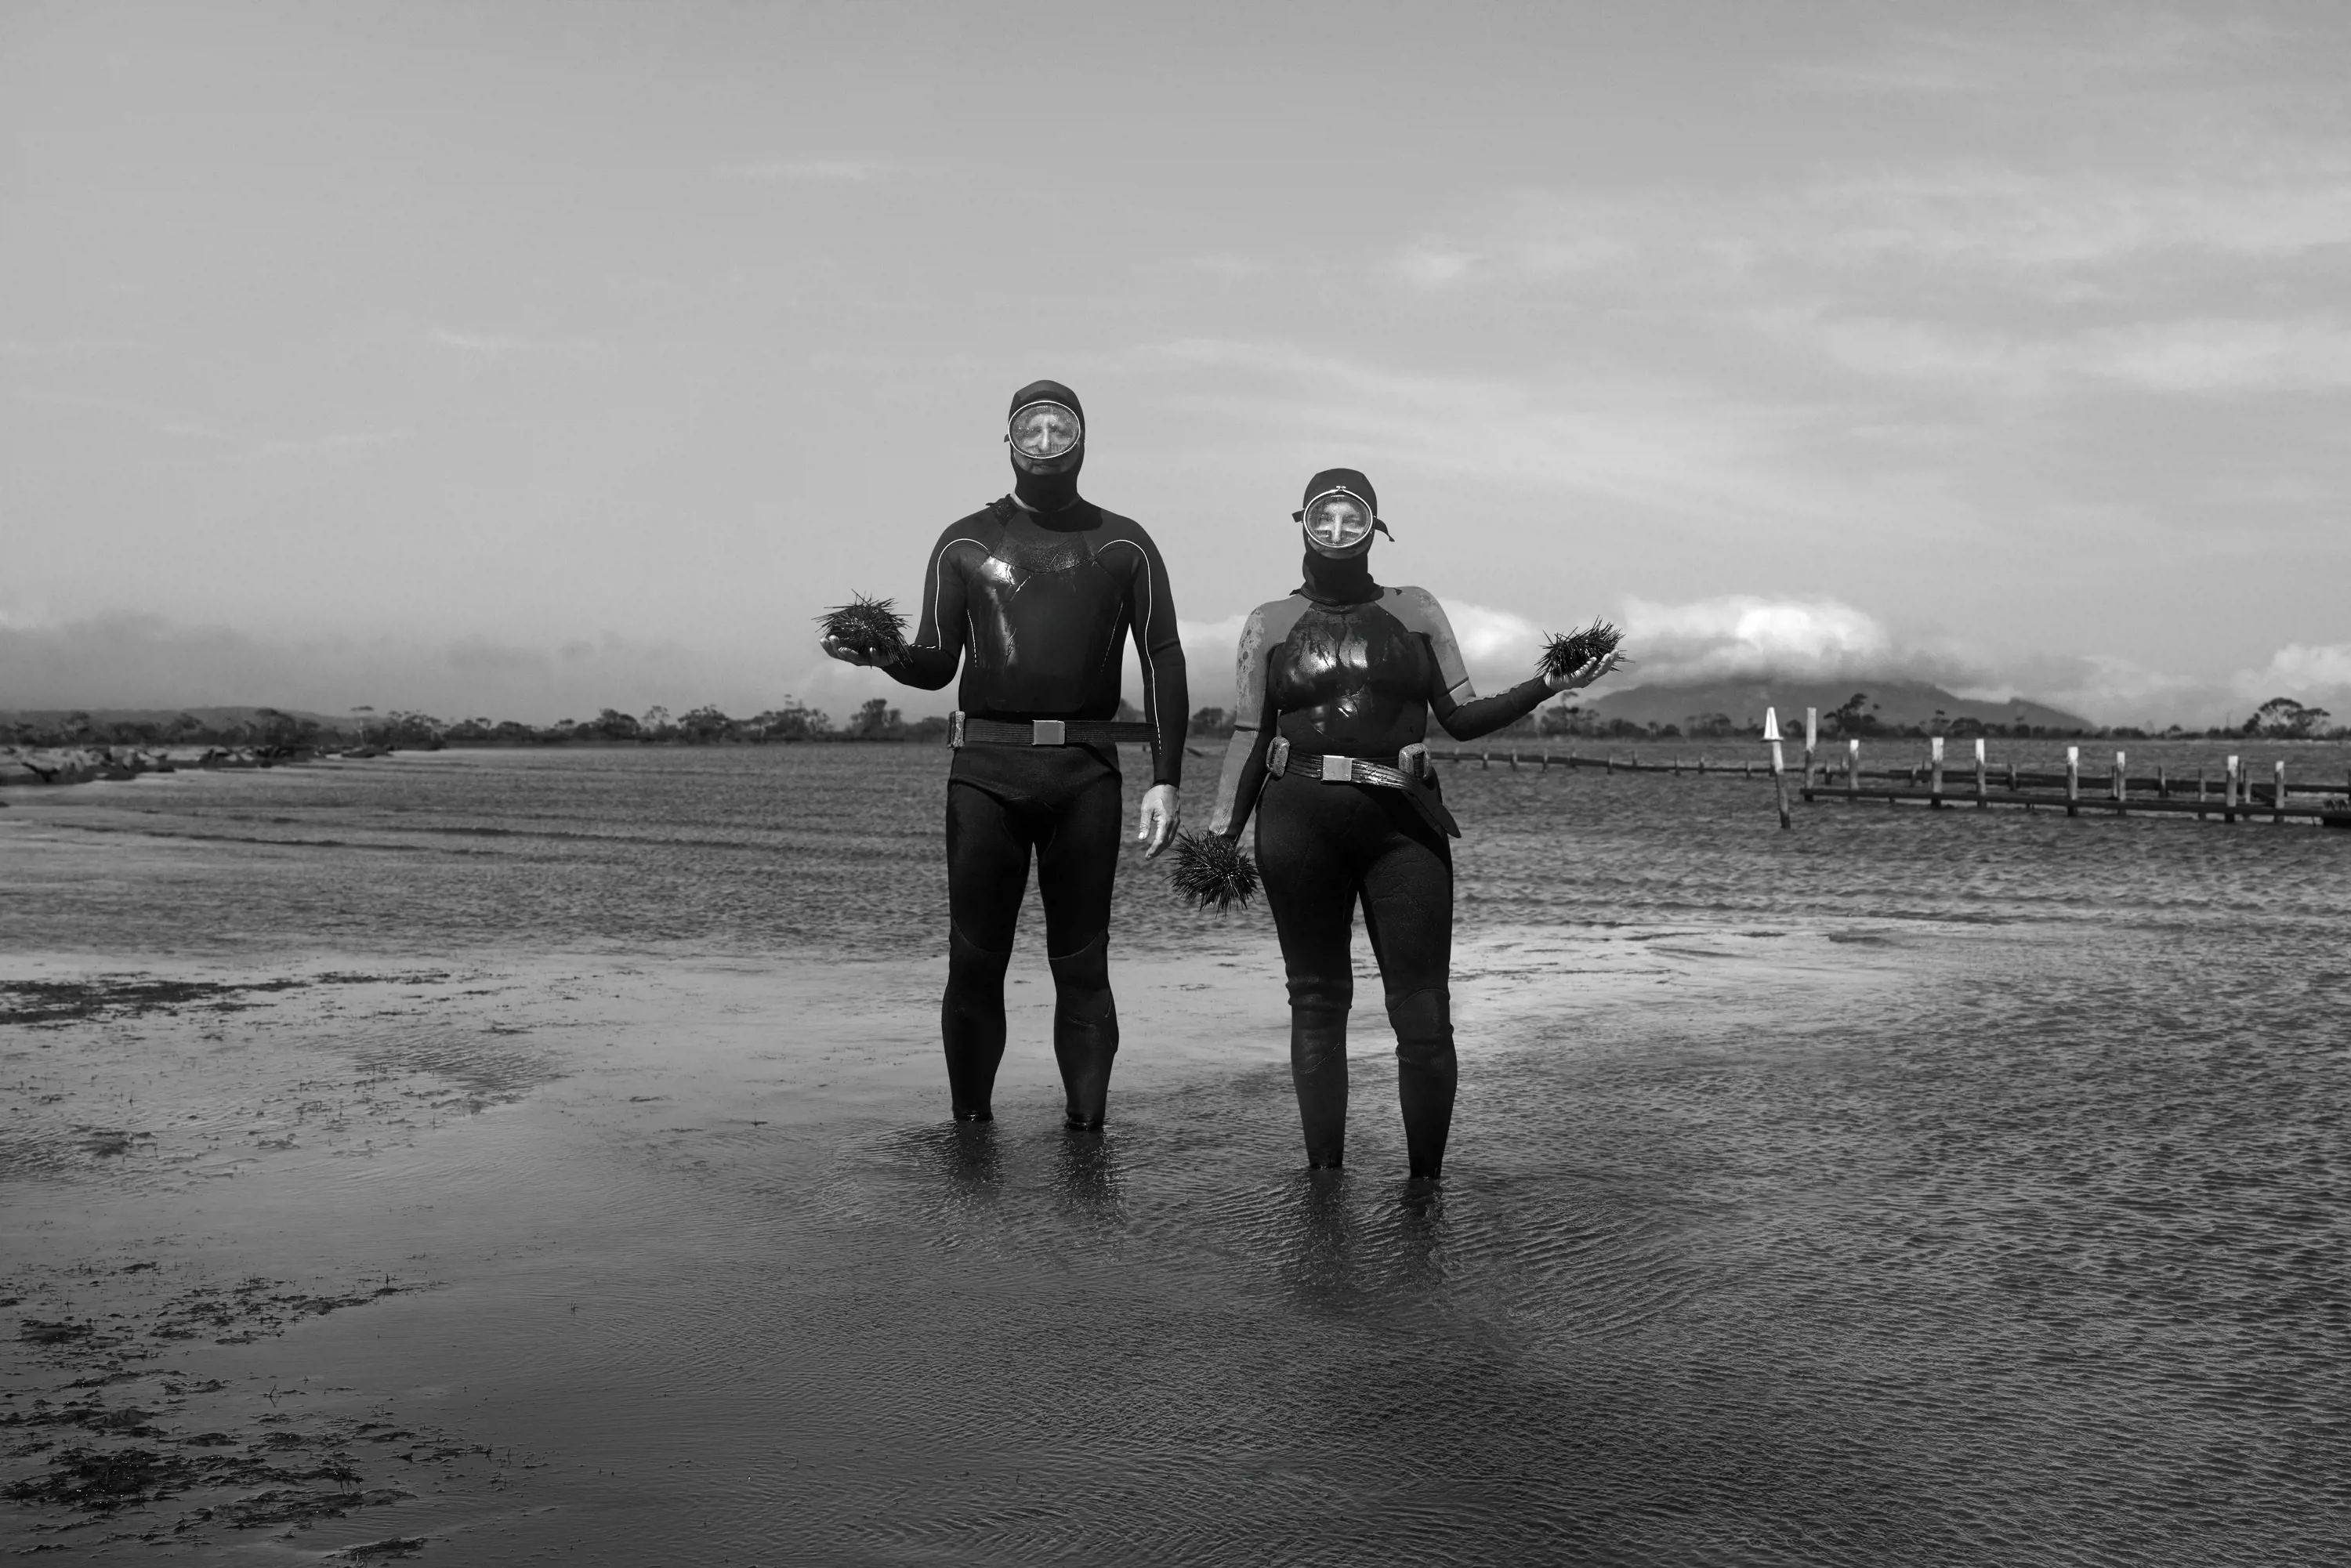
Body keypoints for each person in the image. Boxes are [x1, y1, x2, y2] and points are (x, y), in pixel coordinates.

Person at [1204, 469, 1612, 1181]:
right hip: (1296, 822)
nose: (1336, 529)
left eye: (1351, 516)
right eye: (1323, 517)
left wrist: (1550, 685)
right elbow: (1248, 734)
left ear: (1374, 527)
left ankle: (1425, 1194)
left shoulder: (1416, 609)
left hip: (1405, 826)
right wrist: (1218, 835)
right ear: (1301, 522)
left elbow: (1461, 715)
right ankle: (1323, 1185)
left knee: (1424, 1017)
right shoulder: (1267, 622)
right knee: (1319, 1002)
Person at [823, 380, 1186, 1129]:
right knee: (975, 963)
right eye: (1034, 429)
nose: (1048, 441)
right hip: (984, 776)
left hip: (1087, 775)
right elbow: (934, 661)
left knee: (1083, 967)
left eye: (1062, 429)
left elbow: (1163, 658)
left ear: (1083, 441)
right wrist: (879, 654)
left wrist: (1167, 778)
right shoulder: (966, 541)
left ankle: (1088, 1147)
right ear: (1010, 442)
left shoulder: (1125, 544)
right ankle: (970, 1135)